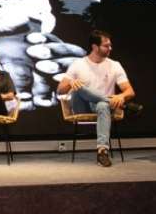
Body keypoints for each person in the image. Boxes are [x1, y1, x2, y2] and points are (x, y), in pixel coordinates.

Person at [56, 30, 140, 167]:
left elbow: (130, 91)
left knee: (102, 105)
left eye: (110, 45)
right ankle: (123, 105)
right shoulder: (78, 64)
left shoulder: (115, 65)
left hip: (105, 108)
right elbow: (60, 89)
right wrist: (70, 83)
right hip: (81, 105)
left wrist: (121, 96)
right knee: (79, 88)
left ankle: (102, 151)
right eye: (106, 46)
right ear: (95, 47)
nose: (110, 48)